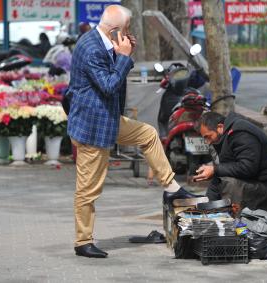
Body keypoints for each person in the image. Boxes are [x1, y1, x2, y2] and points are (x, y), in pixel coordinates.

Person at [66, 5, 199, 259]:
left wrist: (124, 53)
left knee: (147, 134)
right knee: (88, 189)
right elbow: (108, 86)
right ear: (115, 29)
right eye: (126, 30)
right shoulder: (92, 48)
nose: (128, 35)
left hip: (108, 120)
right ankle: (83, 242)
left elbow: (111, 81)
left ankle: (172, 189)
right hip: (93, 128)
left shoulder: (102, 41)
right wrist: (125, 57)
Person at [194, 111, 267, 214]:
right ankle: (210, 211)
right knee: (219, 178)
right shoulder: (226, 136)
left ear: (220, 127)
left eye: (208, 137)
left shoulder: (240, 133)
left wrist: (215, 169)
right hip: (263, 182)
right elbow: (224, 170)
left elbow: (247, 168)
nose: (208, 142)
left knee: (230, 183)